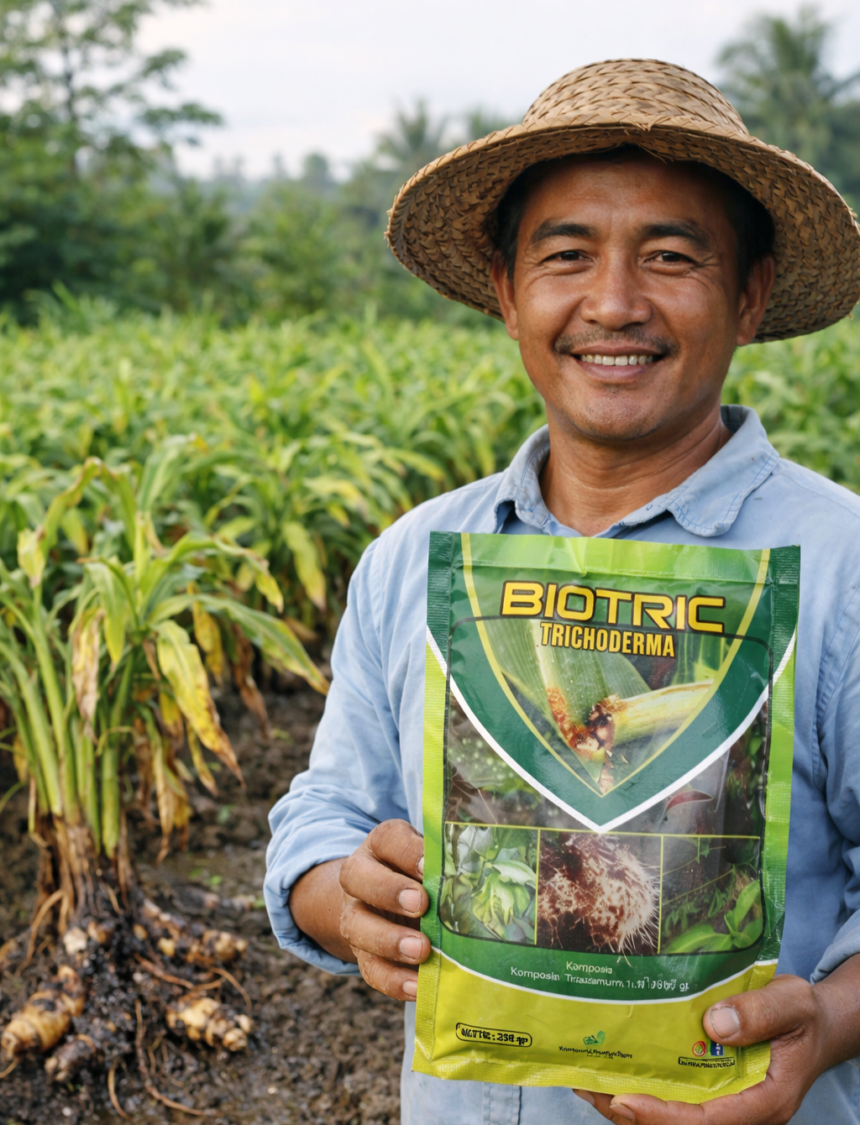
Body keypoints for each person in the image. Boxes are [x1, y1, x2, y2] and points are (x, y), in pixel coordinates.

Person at [264, 59, 860, 1124]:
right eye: (567, 255)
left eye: (670, 256)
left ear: (749, 293)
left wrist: (827, 1020)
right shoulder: (414, 556)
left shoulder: (842, 567)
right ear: (507, 292)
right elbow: (326, 812)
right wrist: (345, 903)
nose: (614, 304)